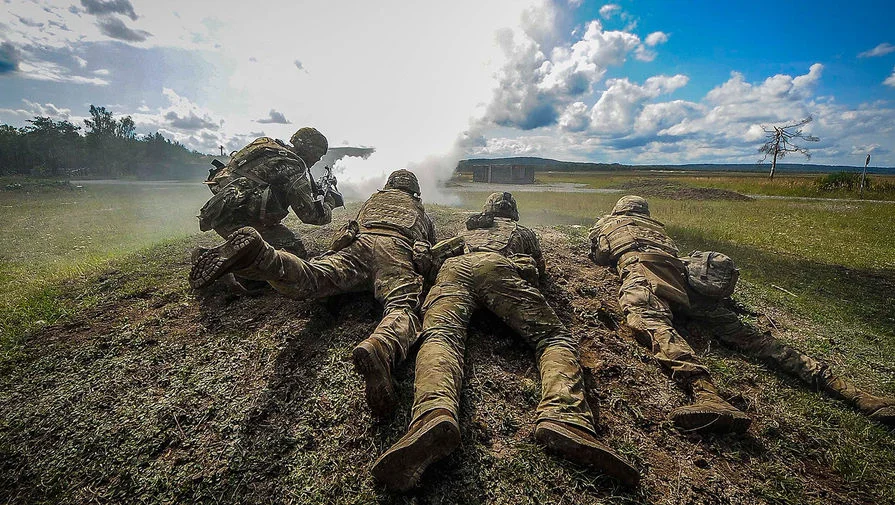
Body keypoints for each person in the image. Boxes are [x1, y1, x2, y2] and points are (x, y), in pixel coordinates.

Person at [371, 192, 640, 492]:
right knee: (553, 337)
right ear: (512, 213)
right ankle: (566, 416)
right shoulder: (522, 232)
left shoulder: (468, 228)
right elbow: (539, 273)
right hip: (497, 269)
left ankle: (433, 413)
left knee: (440, 337)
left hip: (453, 272)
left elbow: (432, 263)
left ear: (487, 209)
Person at [589, 195, 894, 432]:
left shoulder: (608, 223)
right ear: (645, 212)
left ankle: (706, 394)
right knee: (754, 339)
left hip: (644, 272)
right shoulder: (659, 229)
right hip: (685, 281)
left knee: (651, 322)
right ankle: (858, 395)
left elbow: (601, 255)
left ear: (618, 210)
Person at [190, 169, 435, 418]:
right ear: (414, 190)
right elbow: (427, 255)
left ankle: (264, 258)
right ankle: (381, 346)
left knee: (314, 275)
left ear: (388, 185)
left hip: (357, 246)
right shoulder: (420, 211)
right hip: (395, 250)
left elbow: (352, 229)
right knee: (402, 306)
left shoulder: (372, 202)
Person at [198, 127, 337, 262]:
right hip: (244, 222)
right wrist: (330, 202)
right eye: (318, 153)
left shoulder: (269, 149)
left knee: (267, 249)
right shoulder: (293, 167)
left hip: (219, 212)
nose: (318, 159)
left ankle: (225, 256)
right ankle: (228, 263)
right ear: (308, 149)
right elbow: (311, 216)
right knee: (293, 252)